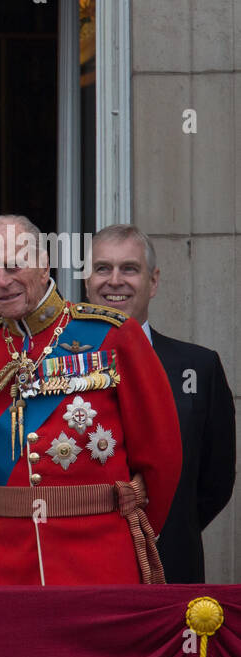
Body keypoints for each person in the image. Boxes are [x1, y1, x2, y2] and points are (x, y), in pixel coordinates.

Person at [0, 214, 182, 585]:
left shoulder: (113, 335)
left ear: (44, 265)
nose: (3, 280)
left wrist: (131, 534)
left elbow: (161, 458)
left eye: (15, 264)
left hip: (100, 558)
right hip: (9, 561)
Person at [85, 224, 235, 583]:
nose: (115, 280)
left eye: (130, 269)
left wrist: (160, 528)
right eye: (103, 268)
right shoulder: (53, 368)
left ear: (153, 282)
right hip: (82, 569)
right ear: (86, 281)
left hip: (170, 566)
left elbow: (215, 482)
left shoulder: (198, 367)